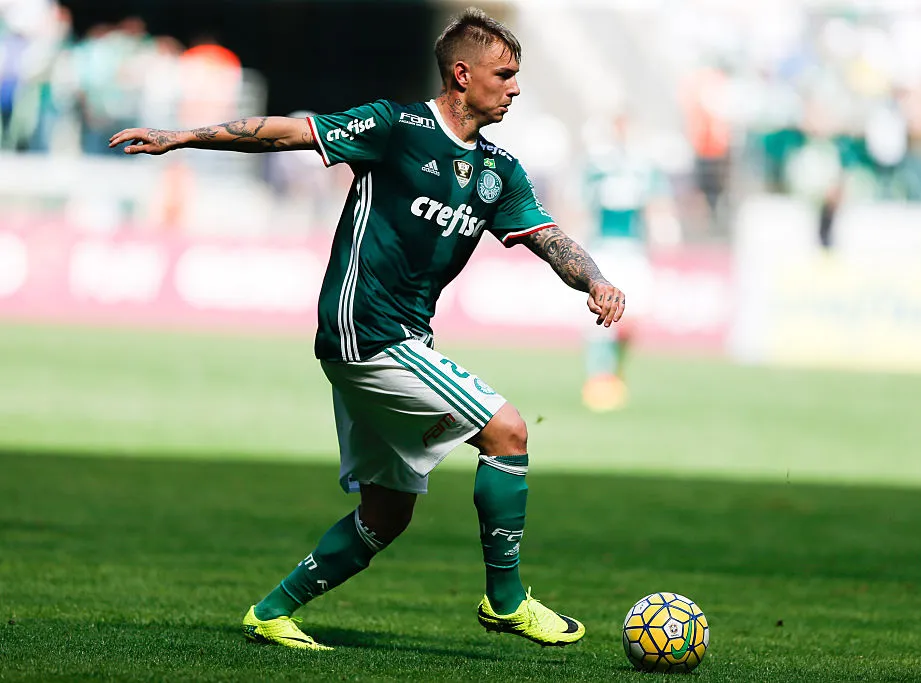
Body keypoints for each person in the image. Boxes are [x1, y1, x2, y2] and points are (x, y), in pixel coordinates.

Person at [109, 8, 625, 651]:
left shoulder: (500, 172)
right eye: (505, 74)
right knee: (508, 430)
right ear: (463, 75)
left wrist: (595, 281)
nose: (516, 88)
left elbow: (549, 239)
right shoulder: (396, 127)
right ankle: (507, 599)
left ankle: (272, 612)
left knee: (387, 514)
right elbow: (289, 134)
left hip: (401, 338)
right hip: (369, 330)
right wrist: (183, 137)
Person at [579, 113, 664, 412]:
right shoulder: (597, 165)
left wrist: (664, 233)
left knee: (633, 321)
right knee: (602, 315)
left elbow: (656, 204)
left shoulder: (643, 167)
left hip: (634, 250)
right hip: (604, 248)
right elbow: (580, 204)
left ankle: (616, 369)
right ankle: (598, 378)